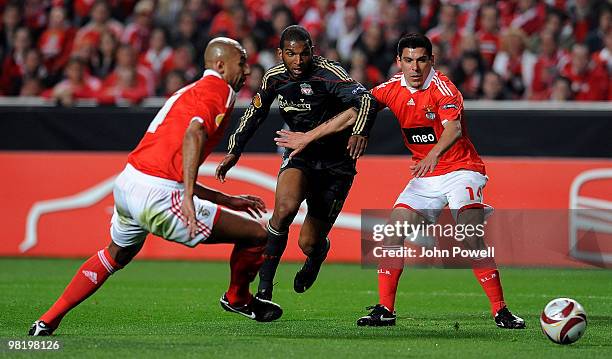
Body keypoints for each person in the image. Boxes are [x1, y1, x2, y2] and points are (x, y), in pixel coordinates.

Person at [29, 37, 282, 336]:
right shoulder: (219, 90)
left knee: (115, 255)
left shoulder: (189, 91)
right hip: (158, 196)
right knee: (258, 236)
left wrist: (226, 199)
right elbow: (193, 134)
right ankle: (237, 298)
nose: (247, 70)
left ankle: (47, 320)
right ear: (221, 65)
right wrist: (187, 196)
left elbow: (172, 163)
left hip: (129, 183)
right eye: (242, 62)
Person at [274, 33, 525, 329]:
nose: (415, 67)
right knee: (392, 233)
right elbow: (357, 110)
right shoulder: (391, 88)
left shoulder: (444, 88)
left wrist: (433, 155)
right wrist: (310, 136)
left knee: (469, 233)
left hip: (460, 169)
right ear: (399, 62)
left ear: (431, 60)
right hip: (426, 176)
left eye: (420, 60)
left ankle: (501, 310)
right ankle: (385, 309)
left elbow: (453, 129)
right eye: (408, 60)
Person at [215, 25, 377, 302]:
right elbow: (255, 113)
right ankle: (264, 289)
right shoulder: (274, 78)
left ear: (312, 52)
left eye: (304, 54)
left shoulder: (330, 73)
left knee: (308, 242)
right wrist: (234, 150)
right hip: (301, 155)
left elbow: (365, 100)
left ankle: (317, 254)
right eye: (291, 54)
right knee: (284, 208)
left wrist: (360, 130)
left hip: (337, 163)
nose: (298, 61)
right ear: (280, 54)